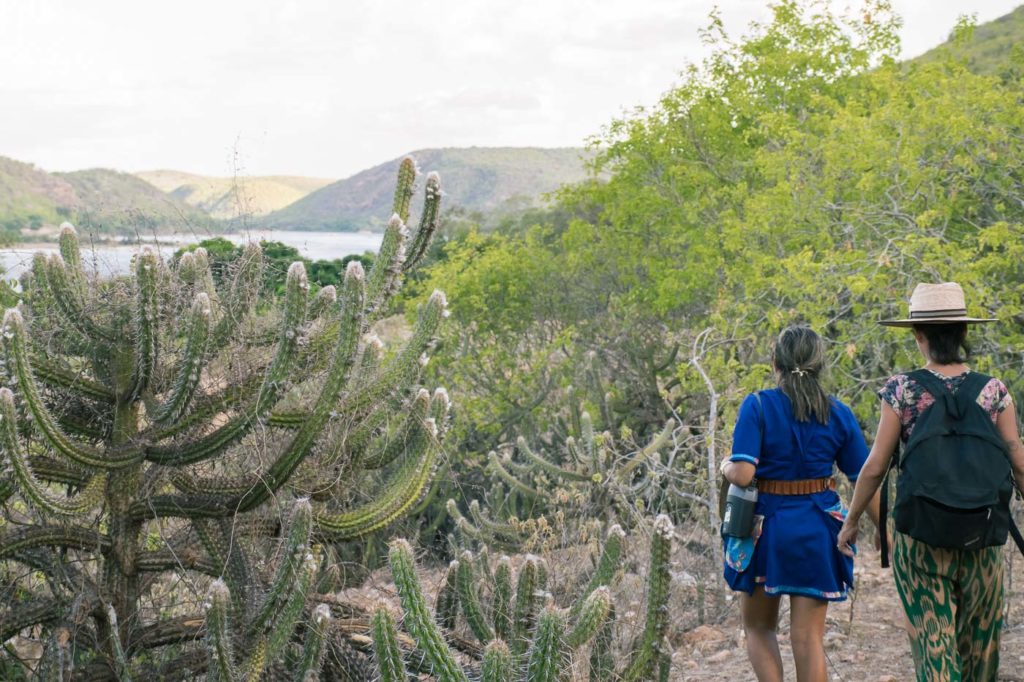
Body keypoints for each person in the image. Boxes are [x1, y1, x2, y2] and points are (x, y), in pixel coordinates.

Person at [838, 282, 1024, 681]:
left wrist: (853, 520)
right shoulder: (994, 392)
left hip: (920, 538)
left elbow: (874, 466)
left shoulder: (901, 390)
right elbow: (1018, 462)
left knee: (934, 648)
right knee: (981, 649)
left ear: (918, 336)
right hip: (983, 534)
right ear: (963, 334)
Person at [721, 324, 874, 682]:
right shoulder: (838, 412)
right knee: (808, 638)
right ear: (820, 364)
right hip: (819, 530)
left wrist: (725, 464)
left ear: (775, 362)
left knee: (759, 628)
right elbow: (866, 476)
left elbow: (743, 474)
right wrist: (885, 530)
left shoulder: (758, 405)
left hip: (765, 530)